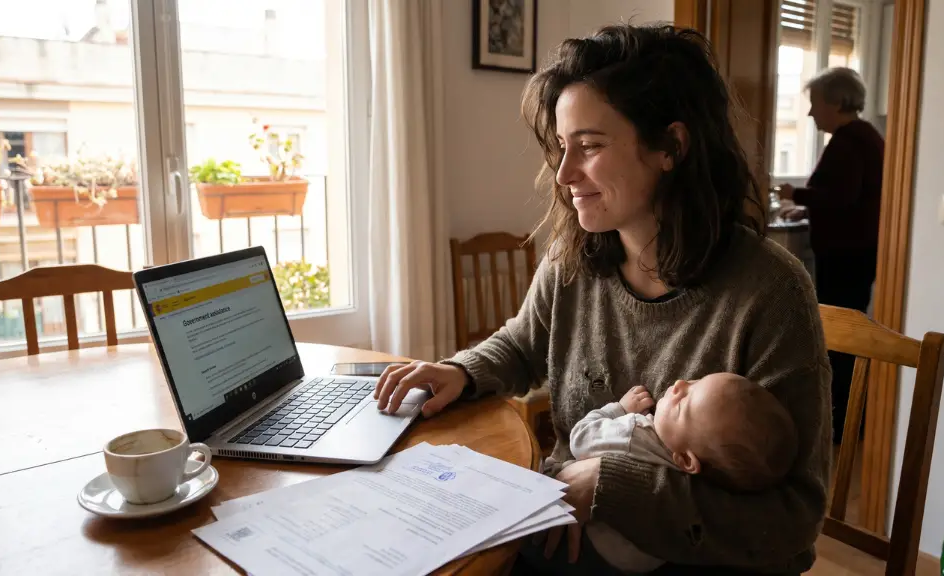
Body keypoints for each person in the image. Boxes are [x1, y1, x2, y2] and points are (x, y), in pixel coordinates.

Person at [375, 24, 831, 575]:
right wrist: (460, 372)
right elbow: (523, 343)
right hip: (566, 523)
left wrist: (613, 486)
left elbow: (793, 521)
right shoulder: (575, 257)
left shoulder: (770, 291)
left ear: (671, 147)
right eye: (562, 147)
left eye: (589, 146)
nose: (564, 174)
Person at [565, 375, 799, 574]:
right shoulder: (701, 475)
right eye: (696, 381)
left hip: (585, 549)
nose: (679, 384)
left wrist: (620, 409)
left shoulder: (635, 433)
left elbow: (581, 437)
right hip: (639, 563)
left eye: (681, 404)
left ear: (687, 460)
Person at [778, 67, 884, 444]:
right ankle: (849, 418)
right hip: (858, 251)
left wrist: (797, 195)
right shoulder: (866, 136)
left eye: (814, 104)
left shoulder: (848, 141)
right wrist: (807, 210)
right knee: (847, 332)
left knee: (840, 335)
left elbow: (842, 197)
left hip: (846, 254)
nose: (810, 113)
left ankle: (842, 423)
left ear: (837, 102)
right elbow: (854, 199)